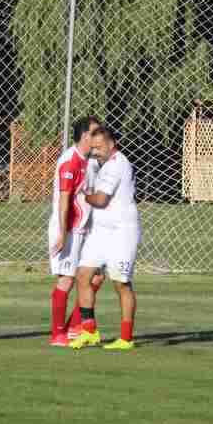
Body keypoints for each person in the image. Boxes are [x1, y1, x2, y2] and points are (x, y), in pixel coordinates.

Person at [69, 126, 141, 351]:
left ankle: (126, 339)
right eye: (92, 148)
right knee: (83, 275)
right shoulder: (101, 163)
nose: (95, 152)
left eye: (99, 148)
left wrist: (82, 194)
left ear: (112, 145)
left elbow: (100, 200)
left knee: (121, 283)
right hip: (100, 231)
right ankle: (90, 331)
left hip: (122, 232)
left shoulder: (116, 165)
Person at [48, 115, 102, 347]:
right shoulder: (69, 161)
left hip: (85, 229)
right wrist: (62, 232)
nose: (100, 137)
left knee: (96, 276)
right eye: (96, 133)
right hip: (69, 229)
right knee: (67, 280)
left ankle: (73, 327)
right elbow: (64, 199)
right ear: (85, 136)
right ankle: (57, 334)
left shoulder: (90, 162)